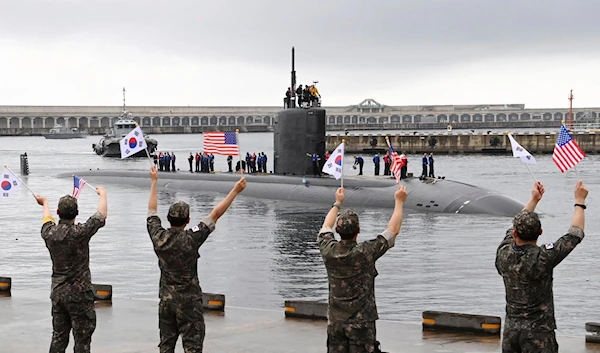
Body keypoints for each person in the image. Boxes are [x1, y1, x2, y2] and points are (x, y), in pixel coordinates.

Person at [147, 166, 246, 352]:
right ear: (188, 220)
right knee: (193, 347)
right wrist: (235, 190)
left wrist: (154, 182)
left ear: (168, 219)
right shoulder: (192, 238)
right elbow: (215, 214)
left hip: (166, 302)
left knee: (166, 346)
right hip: (189, 304)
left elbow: (152, 211)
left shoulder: (158, 237)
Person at [496, 181, 588, 353]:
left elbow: (514, 226)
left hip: (511, 332)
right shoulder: (543, 257)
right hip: (539, 334)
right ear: (540, 233)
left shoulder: (503, 253)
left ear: (515, 233)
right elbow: (575, 234)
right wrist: (579, 201)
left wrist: (534, 200)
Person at [317, 184, 407, 352]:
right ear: (358, 231)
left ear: (338, 230)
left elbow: (325, 227)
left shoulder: (328, 250)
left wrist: (337, 202)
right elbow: (393, 230)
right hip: (362, 325)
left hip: (336, 323)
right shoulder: (365, 252)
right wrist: (399, 201)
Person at [35, 188, 108, 353]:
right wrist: (103, 195)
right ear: (77, 213)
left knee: (59, 337)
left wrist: (44, 202)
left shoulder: (49, 233)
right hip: (79, 294)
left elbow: (47, 220)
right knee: (82, 340)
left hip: (58, 292)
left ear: (58, 212)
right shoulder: (80, 232)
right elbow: (101, 215)